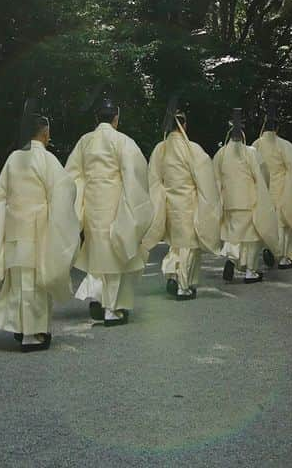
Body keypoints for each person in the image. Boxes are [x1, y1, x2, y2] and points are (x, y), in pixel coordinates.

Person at [0, 101, 79, 351]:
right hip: (38, 230)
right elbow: (65, 192)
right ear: (44, 133)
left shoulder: (12, 159)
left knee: (18, 282)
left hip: (14, 230)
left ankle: (21, 328)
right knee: (35, 284)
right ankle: (34, 334)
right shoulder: (47, 159)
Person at [66, 94, 153, 326]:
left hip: (93, 206)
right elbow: (134, 176)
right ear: (116, 118)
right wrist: (133, 208)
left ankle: (96, 296)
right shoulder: (123, 141)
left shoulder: (84, 141)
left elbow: (73, 176)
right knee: (115, 257)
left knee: (97, 254)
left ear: (97, 117)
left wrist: (77, 208)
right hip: (115, 204)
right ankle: (111, 310)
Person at [142, 98, 221, 300]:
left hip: (169, 203)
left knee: (176, 244)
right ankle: (183, 286)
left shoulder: (160, 149)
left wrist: (158, 202)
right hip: (188, 204)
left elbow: (153, 179)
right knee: (189, 247)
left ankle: (173, 274)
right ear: (184, 124)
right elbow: (204, 180)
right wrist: (208, 206)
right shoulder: (192, 149)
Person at [213, 108, 280, 282]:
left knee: (233, 234)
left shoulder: (221, 154)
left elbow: (215, 178)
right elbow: (263, 174)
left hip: (229, 201)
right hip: (249, 200)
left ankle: (232, 258)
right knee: (252, 237)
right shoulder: (250, 152)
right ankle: (251, 271)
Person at [252, 109, 292, 269]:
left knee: (265, 221)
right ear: (277, 129)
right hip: (281, 187)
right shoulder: (284, 145)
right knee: (284, 224)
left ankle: (269, 249)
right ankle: (283, 257)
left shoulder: (256, 145)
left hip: (262, 188)